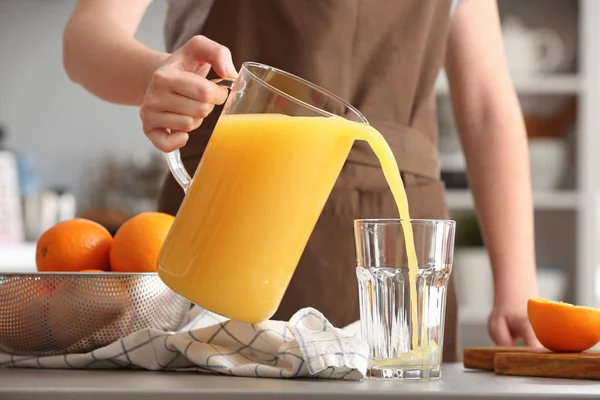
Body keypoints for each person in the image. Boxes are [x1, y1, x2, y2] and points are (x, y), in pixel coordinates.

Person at [62, 0, 542, 362]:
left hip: (401, 243)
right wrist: (157, 74)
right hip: (229, 213)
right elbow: (86, 37)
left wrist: (518, 279)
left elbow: (486, 105)